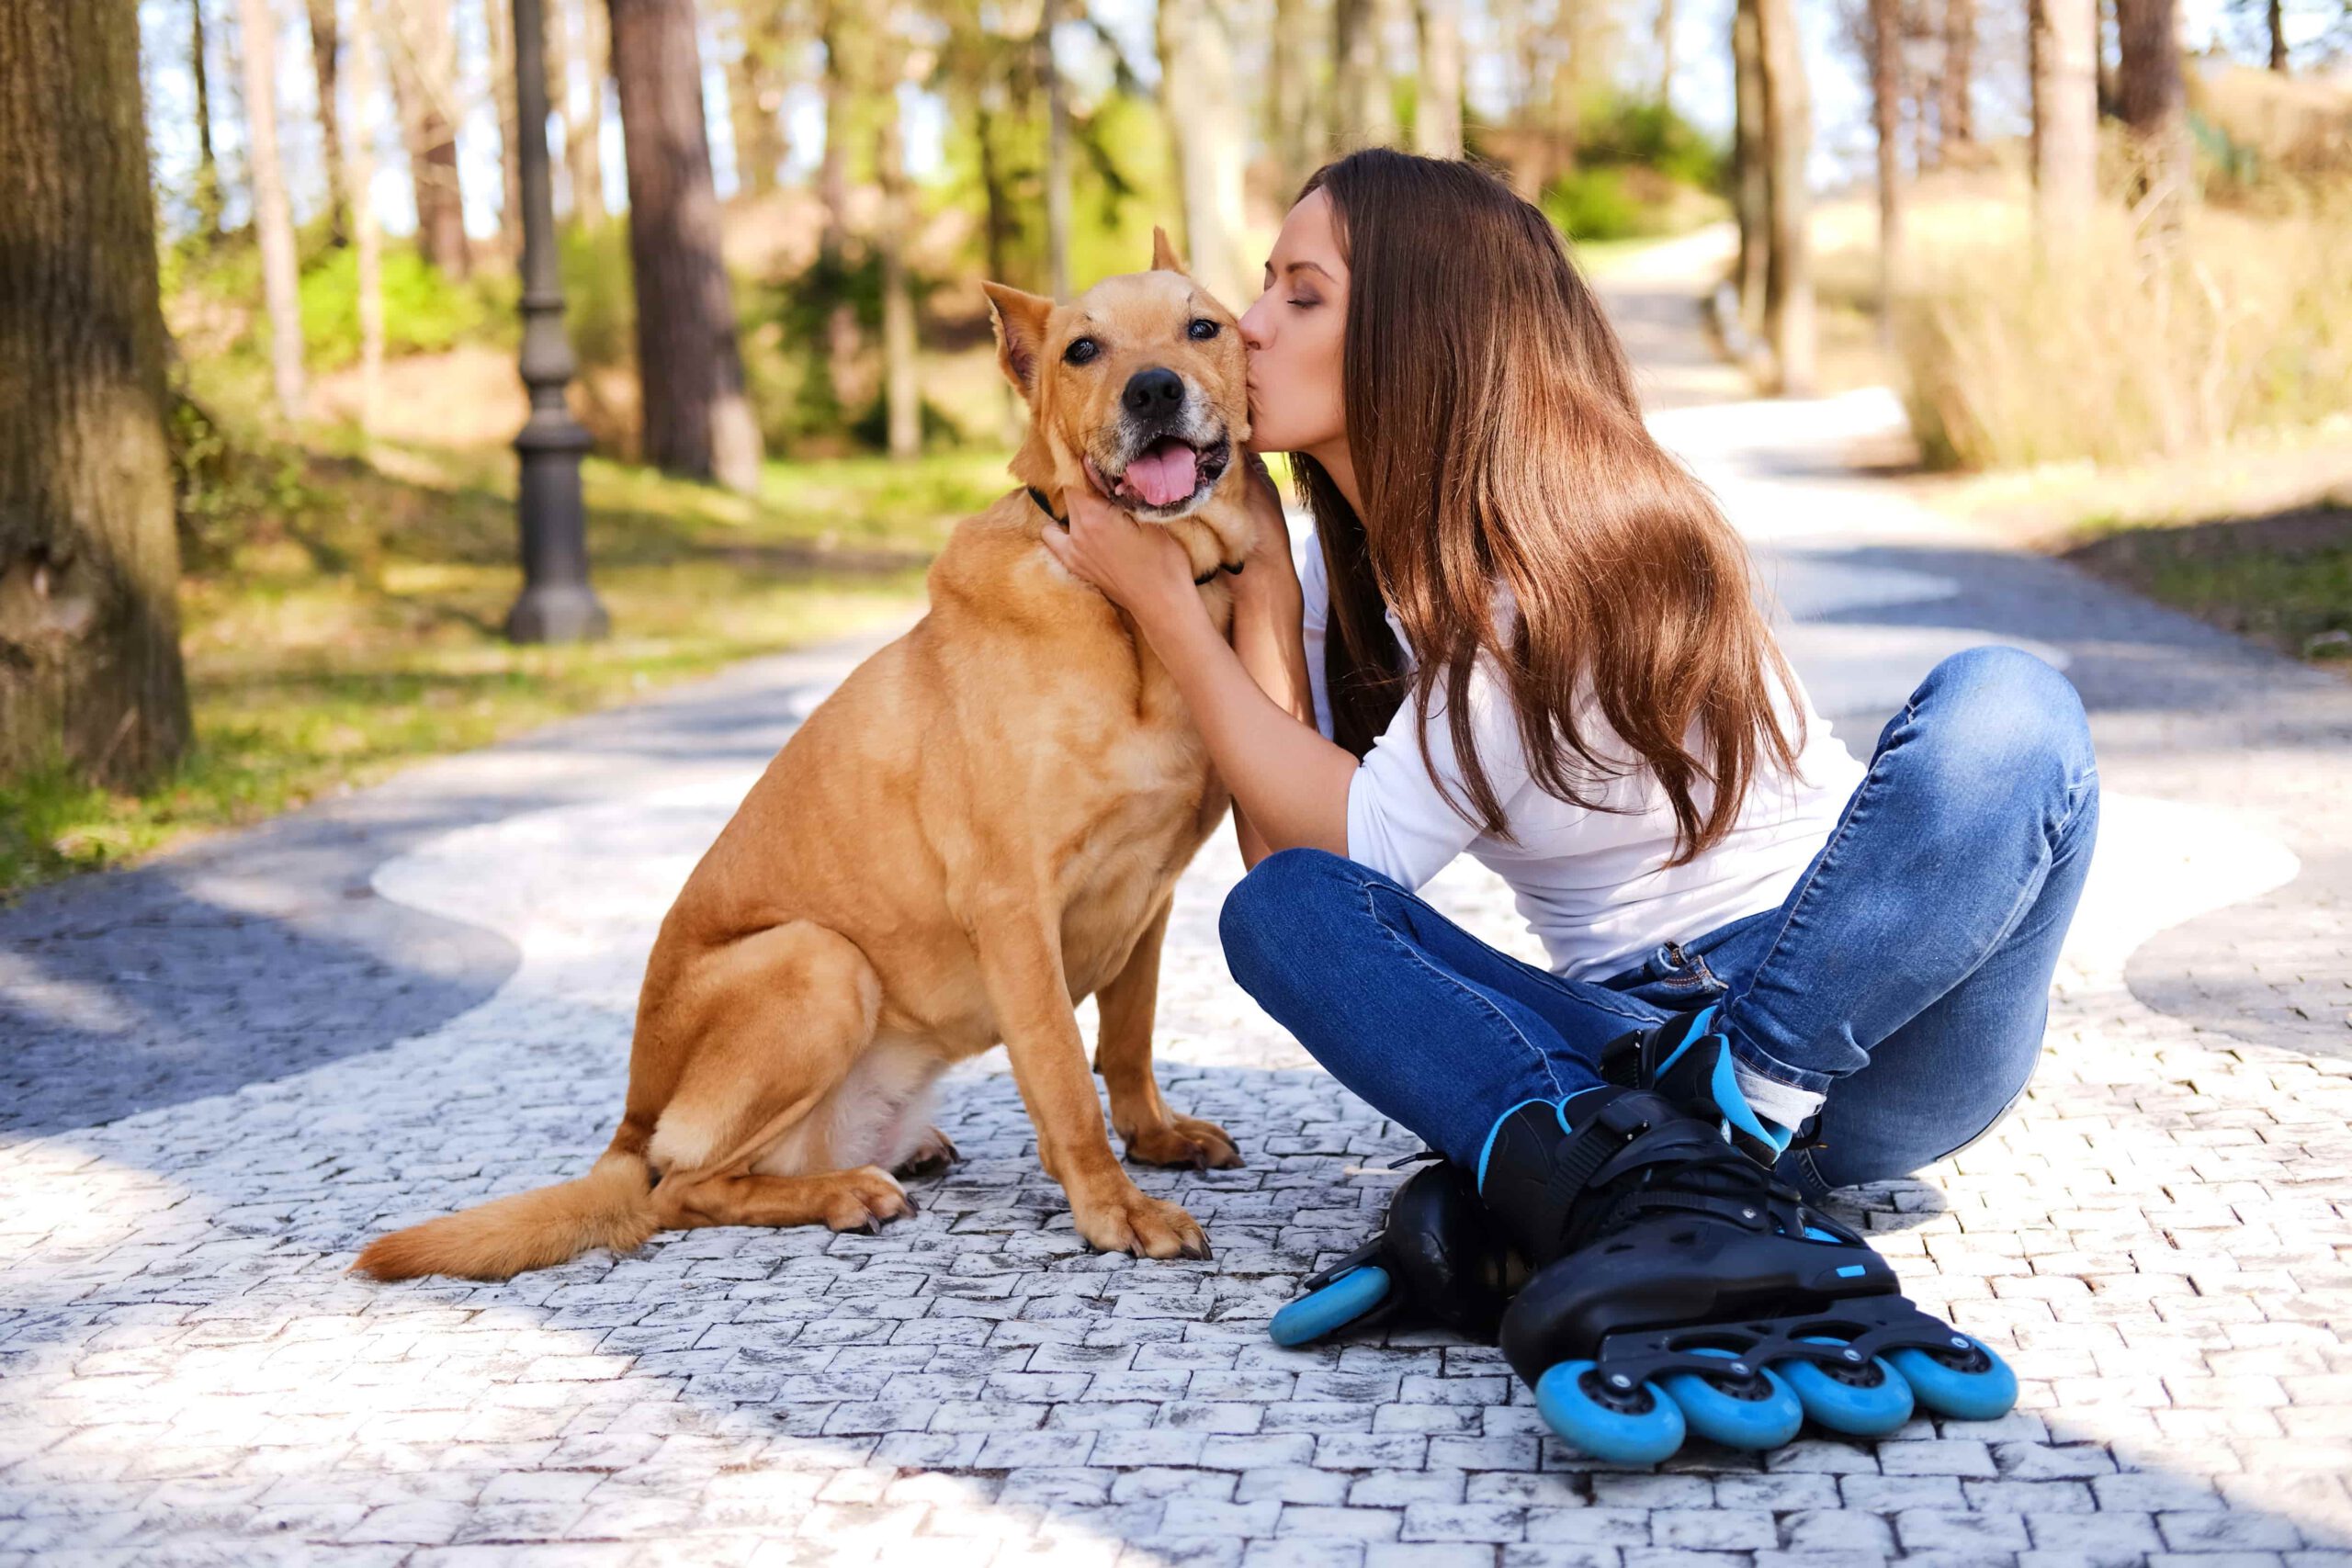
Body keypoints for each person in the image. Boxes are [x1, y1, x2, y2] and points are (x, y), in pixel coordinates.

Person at [1038, 147, 2100, 1215]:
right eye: (1266, 287)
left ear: (1422, 332)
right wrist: (1266, 574)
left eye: (1299, 296)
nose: (1253, 322)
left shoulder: (1566, 549)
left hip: (1867, 1002)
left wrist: (1170, 612)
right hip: (1626, 1038)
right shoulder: (1342, 576)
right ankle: (1655, 1150)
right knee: (1277, 914)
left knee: (2010, 707)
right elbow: (1301, 865)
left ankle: (1702, 1119)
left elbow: (1373, 841)